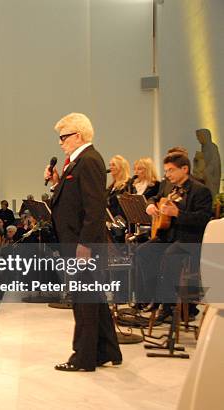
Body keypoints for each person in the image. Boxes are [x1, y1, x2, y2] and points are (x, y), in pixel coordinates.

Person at [45, 112, 121, 372]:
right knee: (93, 298)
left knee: (84, 300)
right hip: (76, 241)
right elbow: (74, 199)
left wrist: (85, 244)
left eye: (63, 137)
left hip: (82, 244)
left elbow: (94, 208)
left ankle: (83, 358)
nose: (60, 142)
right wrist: (57, 182)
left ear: (78, 135)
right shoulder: (78, 161)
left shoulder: (88, 160)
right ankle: (107, 349)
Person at [136, 153, 212, 320]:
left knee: (169, 256)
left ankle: (168, 306)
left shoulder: (200, 191)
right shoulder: (168, 186)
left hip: (189, 239)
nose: (167, 174)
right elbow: (154, 198)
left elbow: (204, 219)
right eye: (166, 171)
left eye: (171, 170)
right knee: (143, 252)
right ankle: (151, 298)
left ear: (184, 169)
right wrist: (150, 206)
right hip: (168, 236)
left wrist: (178, 213)